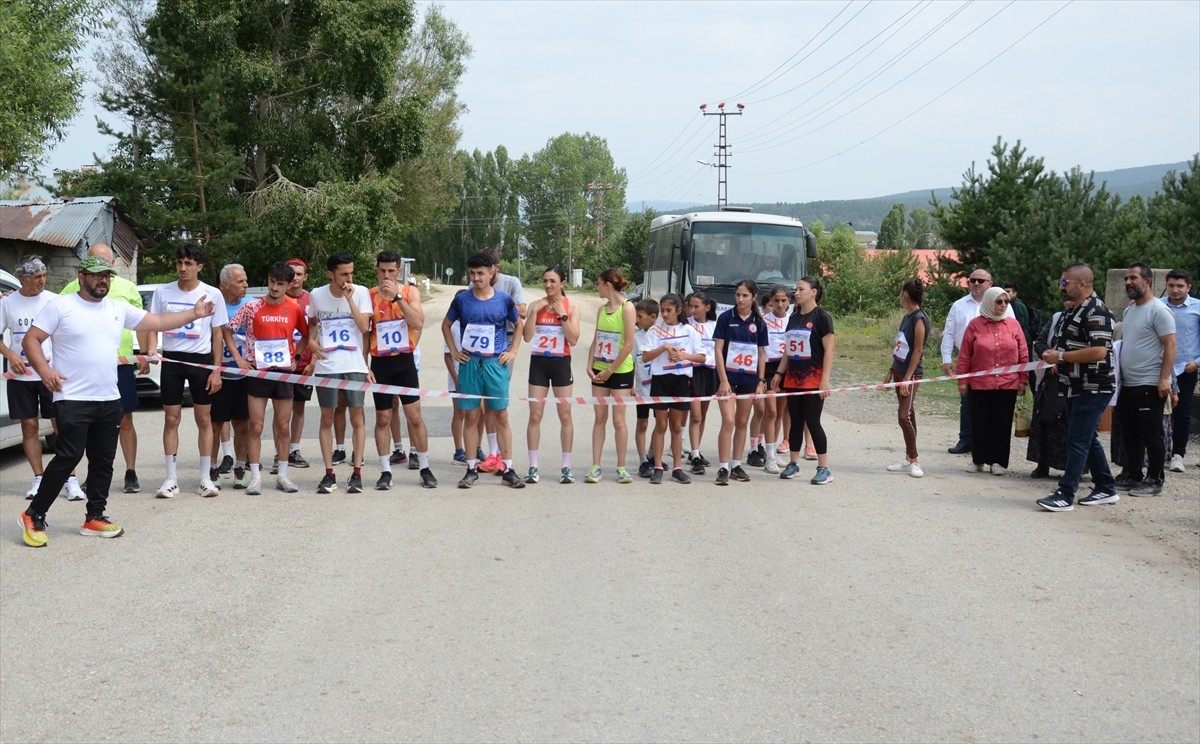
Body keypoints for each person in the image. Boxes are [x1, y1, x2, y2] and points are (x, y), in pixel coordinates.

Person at [18, 256, 214, 548]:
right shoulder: (61, 306)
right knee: (68, 457)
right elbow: (30, 340)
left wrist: (194, 314)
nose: (103, 281)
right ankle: (34, 514)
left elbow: (157, 321)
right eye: (97, 276)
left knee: (103, 461)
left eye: (107, 276)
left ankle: (94, 516)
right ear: (82, 276)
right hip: (72, 398)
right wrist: (45, 372)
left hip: (108, 398)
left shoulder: (117, 308)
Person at [60, 242, 149, 494]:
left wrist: (142, 353)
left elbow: (142, 323)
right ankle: (92, 474)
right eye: (92, 262)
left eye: (104, 263)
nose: (100, 270)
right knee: (91, 423)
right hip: (84, 368)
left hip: (120, 363)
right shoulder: (70, 289)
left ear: (112, 264)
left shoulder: (127, 287)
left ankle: (130, 472)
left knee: (125, 418)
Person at [147, 243, 228, 498]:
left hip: (200, 361)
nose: (183, 268)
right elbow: (152, 324)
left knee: (204, 419)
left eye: (189, 263)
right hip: (172, 360)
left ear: (199, 267)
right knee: (171, 419)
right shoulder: (163, 291)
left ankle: (205, 478)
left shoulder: (212, 293)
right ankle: (171, 478)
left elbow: (218, 335)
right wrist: (151, 349)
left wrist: (216, 370)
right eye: (180, 263)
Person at [1036, 263, 1119, 512]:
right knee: (1086, 438)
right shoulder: (1075, 310)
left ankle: (1065, 493)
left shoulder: (1097, 311)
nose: (1061, 287)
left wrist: (1061, 357)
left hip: (1094, 385)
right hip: (1074, 384)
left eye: (1065, 283)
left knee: (1077, 439)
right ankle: (1105, 486)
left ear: (1082, 284)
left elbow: (1099, 351)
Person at [0, 257, 83, 500]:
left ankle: (71, 479)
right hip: (20, 375)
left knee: (61, 426)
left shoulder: (54, 301)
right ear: (23, 279)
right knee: (29, 426)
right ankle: (39, 478)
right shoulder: (8, 303)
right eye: (37, 277)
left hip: (50, 373)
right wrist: (10, 354)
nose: (42, 281)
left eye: (44, 276)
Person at [441, 251, 524, 489]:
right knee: (472, 415)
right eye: (472, 273)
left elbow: (518, 325)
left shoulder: (504, 300)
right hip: (470, 364)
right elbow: (446, 325)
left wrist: (513, 351)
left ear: (492, 273)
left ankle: (508, 467)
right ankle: (470, 468)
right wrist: (455, 352)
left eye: (480, 273)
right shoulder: (462, 300)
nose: (476, 278)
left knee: (501, 415)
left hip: (494, 364)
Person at [227, 262, 309, 494]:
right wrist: (239, 359)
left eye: (280, 284)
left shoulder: (294, 308)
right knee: (256, 425)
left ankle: (283, 475)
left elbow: (307, 333)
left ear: (289, 285)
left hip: (283, 373)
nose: (274, 287)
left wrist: (299, 356)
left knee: (283, 426)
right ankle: (255, 477)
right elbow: (227, 329)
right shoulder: (252, 307)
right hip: (258, 372)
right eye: (272, 282)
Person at [367, 250, 437, 490]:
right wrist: (365, 365)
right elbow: (366, 333)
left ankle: (425, 467)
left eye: (391, 271)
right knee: (383, 417)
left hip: (405, 360)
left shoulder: (409, 292)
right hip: (381, 363)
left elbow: (417, 322)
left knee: (414, 416)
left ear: (398, 271)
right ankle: (385, 471)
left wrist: (397, 297)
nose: (386, 275)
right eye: (382, 270)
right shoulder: (369, 296)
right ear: (377, 270)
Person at [305, 252, 372, 494]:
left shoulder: (361, 292)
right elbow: (312, 324)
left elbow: (364, 328)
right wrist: (312, 344)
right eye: (343, 273)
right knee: (327, 418)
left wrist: (350, 299)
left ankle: (356, 474)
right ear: (330, 274)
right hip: (327, 366)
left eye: (351, 272)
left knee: (357, 418)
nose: (348, 278)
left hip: (353, 365)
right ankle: (328, 474)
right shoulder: (316, 294)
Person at [1113, 263, 1176, 496]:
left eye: (1133, 278)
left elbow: (1170, 344)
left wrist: (1164, 378)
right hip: (1128, 384)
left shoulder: (1158, 310)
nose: (1128, 282)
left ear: (1147, 281)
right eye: (1126, 278)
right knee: (1130, 432)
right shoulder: (1130, 311)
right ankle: (1133, 473)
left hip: (1150, 382)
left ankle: (1155, 478)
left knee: (1151, 433)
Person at [956, 287, 1029, 476]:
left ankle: (998, 461)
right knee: (979, 422)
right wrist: (962, 380)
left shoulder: (1013, 325)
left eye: (1006, 302)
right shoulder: (975, 325)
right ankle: (978, 459)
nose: (1003, 305)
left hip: (1007, 384)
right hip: (979, 384)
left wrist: (1023, 380)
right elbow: (965, 354)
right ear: (989, 302)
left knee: (1002, 424)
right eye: (999, 302)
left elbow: (1023, 354)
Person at [941, 269, 1012, 455]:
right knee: (967, 401)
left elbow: (1014, 334)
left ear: (990, 283)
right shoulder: (958, 305)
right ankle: (966, 440)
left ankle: (987, 443)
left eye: (981, 280)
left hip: (996, 362)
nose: (976, 283)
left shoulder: (1004, 304)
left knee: (992, 403)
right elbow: (949, 332)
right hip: (969, 360)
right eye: (972, 280)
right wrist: (946, 358)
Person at [773, 276, 835, 484]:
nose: (796, 293)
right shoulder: (794, 318)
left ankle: (824, 468)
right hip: (793, 379)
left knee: (813, 421)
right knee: (795, 422)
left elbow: (829, 351)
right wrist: (779, 373)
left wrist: (824, 380)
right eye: (796, 289)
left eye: (801, 289)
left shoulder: (822, 317)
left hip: (813, 378)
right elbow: (787, 351)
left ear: (813, 292)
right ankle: (793, 463)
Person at [523, 267, 580, 484]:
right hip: (538, 363)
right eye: (545, 281)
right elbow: (527, 337)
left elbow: (574, 339)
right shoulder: (535, 305)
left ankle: (566, 466)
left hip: (561, 364)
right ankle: (533, 466)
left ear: (562, 283)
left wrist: (562, 316)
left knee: (565, 415)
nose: (548, 285)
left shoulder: (571, 306)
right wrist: (533, 313)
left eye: (553, 281)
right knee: (535, 415)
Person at [642, 293, 705, 484]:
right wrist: (663, 348)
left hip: (680, 381)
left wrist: (684, 356)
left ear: (679, 310)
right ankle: (658, 466)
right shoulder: (654, 331)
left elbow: (702, 357)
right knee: (661, 425)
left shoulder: (689, 330)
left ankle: (677, 467)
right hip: (661, 380)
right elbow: (645, 357)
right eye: (662, 310)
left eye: (668, 310)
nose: (665, 314)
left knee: (676, 427)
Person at [713, 279, 768, 485]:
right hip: (728, 379)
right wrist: (723, 380)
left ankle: (736, 464)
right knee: (728, 421)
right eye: (738, 295)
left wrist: (761, 380)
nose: (740, 299)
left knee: (742, 421)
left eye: (745, 295)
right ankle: (723, 466)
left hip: (749, 379)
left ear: (754, 297)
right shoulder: (726, 318)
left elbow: (762, 353)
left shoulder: (759, 322)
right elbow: (718, 350)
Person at [584, 268, 637, 484]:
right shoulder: (602, 309)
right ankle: (596, 466)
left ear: (607, 284)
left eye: (598, 283)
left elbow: (628, 345)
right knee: (599, 417)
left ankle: (622, 467)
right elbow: (596, 338)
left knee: (618, 419)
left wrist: (610, 370)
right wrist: (590, 365)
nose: (597, 288)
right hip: (599, 367)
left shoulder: (628, 307)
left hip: (620, 370)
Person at [478, 249, 527, 473]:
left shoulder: (511, 283)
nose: (478, 278)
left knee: (499, 402)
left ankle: (505, 459)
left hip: (504, 342)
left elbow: (523, 312)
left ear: (495, 268)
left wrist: (496, 305)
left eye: (488, 270)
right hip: (482, 344)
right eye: (474, 273)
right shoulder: (474, 285)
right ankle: (492, 453)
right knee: (485, 402)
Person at [211, 263, 251, 489]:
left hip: (244, 374)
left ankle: (240, 467)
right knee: (215, 423)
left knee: (242, 424)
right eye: (240, 282)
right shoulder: (213, 305)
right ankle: (213, 468)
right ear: (225, 284)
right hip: (220, 374)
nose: (245, 285)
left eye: (245, 281)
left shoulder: (251, 305)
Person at [884, 278, 930, 478]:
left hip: (911, 374)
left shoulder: (919, 318)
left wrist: (908, 378)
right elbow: (901, 347)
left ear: (905, 295)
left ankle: (915, 459)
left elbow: (917, 350)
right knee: (908, 414)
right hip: (899, 370)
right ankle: (908, 458)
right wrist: (892, 370)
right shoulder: (906, 317)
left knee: (903, 416)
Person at [1026, 299, 1073, 478]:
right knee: (1043, 417)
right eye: (1066, 299)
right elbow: (1039, 342)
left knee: (1069, 422)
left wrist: (1061, 360)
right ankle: (1042, 463)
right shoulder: (1056, 318)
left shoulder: (1088, 318)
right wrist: (1048, 356)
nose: (1068, 302)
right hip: (1050, 379)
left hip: (1072, 379)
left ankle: (1071, 467)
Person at [1161, 268, 1198, 472]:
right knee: (1158, 412)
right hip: (1160, 367)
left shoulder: (1197, 308)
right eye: (1171, 285)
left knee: (1182, 413)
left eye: (1180, 286)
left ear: (1188, 287)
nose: (1175, 290)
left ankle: (1178, 454)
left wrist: (1197, 362)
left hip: (1185, 368)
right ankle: (1159, 452)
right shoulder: (1157, 306)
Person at [279, 257, 313, 473]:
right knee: (281, 412)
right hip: (279, 365)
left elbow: (316, 332)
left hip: (304, 364)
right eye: (291, 274)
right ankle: (279, 452)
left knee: (298, 408)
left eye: (299, 274)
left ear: (305, 277)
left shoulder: (312, 300)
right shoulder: (277, 298)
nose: (295, 278)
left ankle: (294, 449)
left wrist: (313, 362)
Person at [755, 285, 790, 473]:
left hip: (785, 368)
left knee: (781, 409)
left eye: (783, 300)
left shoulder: (792, 321)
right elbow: (760, 349)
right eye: (776, 300)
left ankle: (773, 452)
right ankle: (768, 456)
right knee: (771, 412)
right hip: (768, 368)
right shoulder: (763, 321)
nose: (780, 304)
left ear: (789, 302)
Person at [685, 292, 717, 475]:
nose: (693, 310)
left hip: (710, 372)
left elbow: (719, 350)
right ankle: (694, 454)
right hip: (693, 371)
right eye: (691, 306)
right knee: (695, 415)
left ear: (707, 307)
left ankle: (695, 450)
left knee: (703, 414)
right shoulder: (687, 325)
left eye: (696, 306)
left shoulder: (715, 326)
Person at [632, 299, 659, 478]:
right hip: (642, 388)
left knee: (661, 423)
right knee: (642, 422)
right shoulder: (635, 337)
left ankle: (652, 453)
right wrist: (630, 386)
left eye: (640, 317)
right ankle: (642, 460)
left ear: (653, 317)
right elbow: (631, 362)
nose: (636, 320)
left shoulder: (661, 335)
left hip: (660, 387)